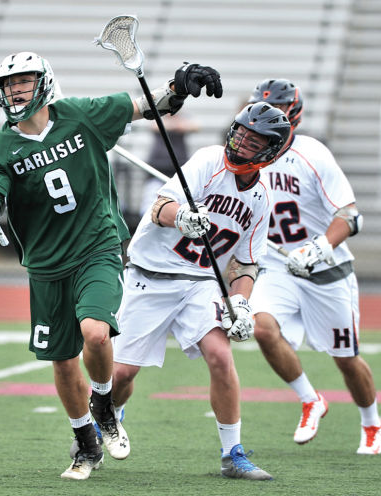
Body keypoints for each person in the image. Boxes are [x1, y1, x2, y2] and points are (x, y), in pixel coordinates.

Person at [0, 51, 223, 480]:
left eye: (23, 81)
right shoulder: (0, 146)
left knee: (95, 333)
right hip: (45, 264)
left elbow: (149, 106)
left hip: (97, 246)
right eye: (8, 85)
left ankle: (103, 403)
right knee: (61, 360)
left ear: (43, 82)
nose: (15, 90)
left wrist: (179, 86)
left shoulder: (80, 115)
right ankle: (85, 440)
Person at [110, 102, 292, 480]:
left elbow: (245, 263)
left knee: (221, 357)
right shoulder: (208, 161)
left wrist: (241, 302)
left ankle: (232, 454)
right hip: (150, 275)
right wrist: (182, 216)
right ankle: (109, 414)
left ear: (270, 150)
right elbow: (160, 206)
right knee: (122, 375)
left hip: (199, 282)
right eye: (241, 131)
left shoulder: (260, 200)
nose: (242, 141)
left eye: (254, 138)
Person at [247, 78, 381, 455]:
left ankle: (372, 422)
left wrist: (319, 247)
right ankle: (311, 400)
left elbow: (351, 215)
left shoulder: (312, 154)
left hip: (325, 271)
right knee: (262, 329)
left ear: (294, 116)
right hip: (277, 265)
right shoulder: (248, 154)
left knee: (345, 358)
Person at [138, 113, 199, 217]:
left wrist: (178, 125)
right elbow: (154, 126)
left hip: (177, 169)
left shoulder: (182, 120)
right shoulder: (159, 118)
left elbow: (195, 127)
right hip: (158, 168)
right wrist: (173, 126)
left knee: (178, 201)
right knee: (149, 203)